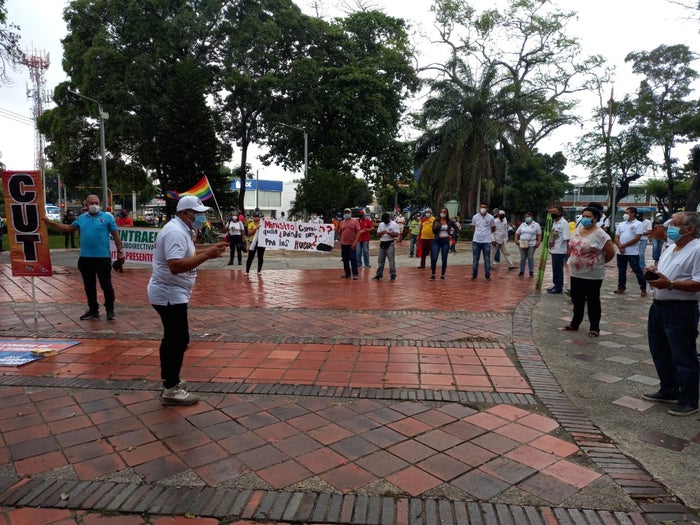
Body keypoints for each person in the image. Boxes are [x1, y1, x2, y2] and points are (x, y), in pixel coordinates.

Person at [147, 195, 227, 405]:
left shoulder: (182, 230)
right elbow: (175, 265)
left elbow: (186, 254)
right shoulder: (175, 232)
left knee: (173, 338)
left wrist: (207, 251)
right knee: (178, 339)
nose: (201, 218)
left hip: (172, 292)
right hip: (168, 293)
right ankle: (171, 388)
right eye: (198, 213)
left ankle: (170, 379)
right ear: (184, 213)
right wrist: (207, 255)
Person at [642, 211, 700, 416]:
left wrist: (671, 284)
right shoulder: (671, 248)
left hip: (680, 309)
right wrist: (654, 273)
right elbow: (665, 274)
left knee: (683, 355)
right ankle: (669, 388)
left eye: (675, 224)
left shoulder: (697, 249)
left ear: (690, 229)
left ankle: (689, 399)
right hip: (659, 305)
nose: (670, 228)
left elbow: (698, 282)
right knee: (660, 350)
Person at [43, 195, 125, 321]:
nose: (94, 205)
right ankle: (93, 310)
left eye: (96, 203)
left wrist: (120, 252)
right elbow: (68, 228)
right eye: (91, 203)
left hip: (102, 258)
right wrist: (50, 223)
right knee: (89, 286)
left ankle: (110, 310)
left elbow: (116, 235)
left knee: (106, 285)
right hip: (85, 258)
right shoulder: (81, 218)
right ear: (86, 205)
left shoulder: (107, 217)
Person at [562, 206, 616, 338]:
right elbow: (572, 246)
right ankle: (575, 323)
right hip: (576, 272)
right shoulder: (578, 230)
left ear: (595, 219)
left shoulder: (601, 234)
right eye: (584, 216)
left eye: (588, 217)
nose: (585, 219)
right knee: (577, 299)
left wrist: (598, 262)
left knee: (593, 300)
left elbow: (610, 253)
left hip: (593, 275)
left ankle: (594, 328)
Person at [614, 206, 647, 297]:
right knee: (621, 270)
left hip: (632, 252)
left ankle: (643, 288)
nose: (625, 215)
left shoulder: (638, 224)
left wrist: (623, 246)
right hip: (620, 252)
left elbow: (637, 238)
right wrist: (619, 245)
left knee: (637, 270)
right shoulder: (621, 224)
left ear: (633, 214)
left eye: (627, 213)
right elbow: (616, 237)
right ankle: (621, 286)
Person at [547, 205, 571, 294]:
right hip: (554, 249)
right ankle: (555, 285)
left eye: (554, 212)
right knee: (555, 269)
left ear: (560, 212)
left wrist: (568, 250)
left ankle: (558, 287)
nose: (552, 214)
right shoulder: (554, 222)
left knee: (558, 270)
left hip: (560, 250)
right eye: (551, 212)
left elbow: (567, 238)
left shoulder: (564, 223)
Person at [430, 208, 459, 280]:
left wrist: (452, 235)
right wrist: (436, 226)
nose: (442, 213)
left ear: (446, 213)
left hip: (445, 241)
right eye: (441, 212)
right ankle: (433, 274)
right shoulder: (436, 221)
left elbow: (456, 228)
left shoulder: (449, 221)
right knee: (434, 258)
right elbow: (433, 231)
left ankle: (442, 275)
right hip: (437, 241)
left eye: (444, 212)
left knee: (444, 258)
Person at [471, 203, 495, 280]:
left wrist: (487, 234)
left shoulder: (491, 217)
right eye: (482, 207)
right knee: (475, 259)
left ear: (487, 208)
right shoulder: (475, 217)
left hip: (486, 241)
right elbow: (473, 227)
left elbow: (493, 228)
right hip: (476, 241)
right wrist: (478, 234)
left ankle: (487, 275)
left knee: (487, 259)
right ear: (479, 208)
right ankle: (474, 275)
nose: (483, 209)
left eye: (485, 207)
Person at [372, 212, 400, 281]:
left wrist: (388, 233)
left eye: (386, 220)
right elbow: (378, 234)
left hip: (390, 243)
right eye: (383, 220)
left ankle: (393, 274)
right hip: (382, 242)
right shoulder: (381, 224)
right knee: (380, 261)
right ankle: (379, 274)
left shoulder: (394, 224)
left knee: (391, 260)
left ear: (389, 218)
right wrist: (381, 233)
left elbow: (397, 234)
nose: (385, 222)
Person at [515, 212, 541, 277]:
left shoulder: (536, 224)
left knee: (530, 257)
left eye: (528, 217)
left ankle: (531, 271)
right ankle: (521, 271)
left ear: (532, 217)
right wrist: (516, 240)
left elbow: (539, 234)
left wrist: (538, 241)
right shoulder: (522, 224)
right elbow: (517, 233)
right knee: (523, 257)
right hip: (522, 243)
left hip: (531, 243)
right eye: (526, 217)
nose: (527, 218)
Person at [338, 207, 361, 279]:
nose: (346, 214)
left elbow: (358, 232)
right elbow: (339, 232)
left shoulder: (355, 221)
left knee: (353, 259)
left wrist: (355, 242)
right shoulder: (341, 222)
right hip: (343, 244)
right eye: (345, 213)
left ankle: (355, 274)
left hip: (352, 244)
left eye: (348, 212)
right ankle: (347, 273)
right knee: (345, 259)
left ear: (351, 213)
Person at [245, 211, 266, 276]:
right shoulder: (250, 224)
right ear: (253, 217)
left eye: (257, 216)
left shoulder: (263, 224)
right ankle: (247, 271)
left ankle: (259, 271)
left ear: (259, 217)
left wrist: (265, 221)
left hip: (261, 242)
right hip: (253, 242)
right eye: (255, 216)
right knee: (250, 257)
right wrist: (256, 228)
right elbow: (249, 233)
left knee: (260, 257)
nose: (256, 218)